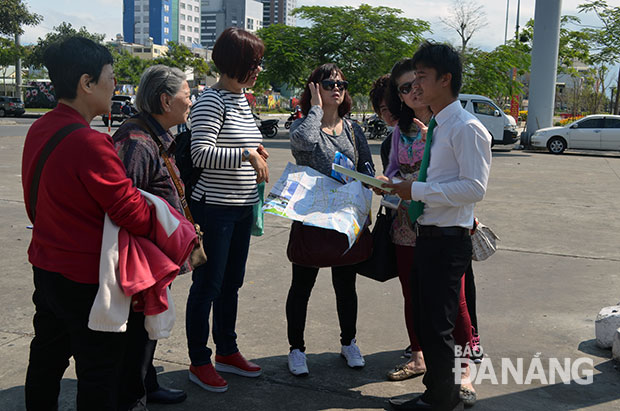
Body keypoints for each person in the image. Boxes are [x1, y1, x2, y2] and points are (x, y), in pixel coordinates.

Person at [21, 36, 158, 410]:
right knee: (99, 372)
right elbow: (131, 211)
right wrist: (165, 219)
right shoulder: (91, 144)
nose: (114, 84)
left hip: (46, 265)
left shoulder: (40, 128)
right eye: (110, 76)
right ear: (86, 83)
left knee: (46, 359)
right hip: (86, 279)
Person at [385, 42, 492, 411]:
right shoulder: (438, 125)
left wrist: (415, 188)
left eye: (423, 77)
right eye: (414, 76)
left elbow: (474, 188)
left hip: (448, 241)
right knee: (427, 322)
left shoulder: (466, 128)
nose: (417, 84)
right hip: (427, 235)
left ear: (445, 80)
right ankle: (436, 393)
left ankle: (442, 399)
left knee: (439, 325)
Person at [185, 27, 269, 393]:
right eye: (255, 63)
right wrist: (246, 154)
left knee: (231, 283)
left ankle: (227, 350)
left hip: (240, 208)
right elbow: (200, 153)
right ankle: (199, 360)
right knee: (208, 284)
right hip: (214, 209)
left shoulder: (242, 100)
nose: (259, 70)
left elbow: (242, 146)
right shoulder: (212, 101)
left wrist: (256, 151)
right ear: (237, 63)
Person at [286, 63, 374, 377]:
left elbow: (367, 169)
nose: (336, 88)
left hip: (345, 219)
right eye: (328, 83)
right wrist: (314, 109)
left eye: (341, 83)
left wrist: (364, 188)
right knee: (302, 285)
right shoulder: (303, 126)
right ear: (314, 89)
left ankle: (348, 342)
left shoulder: (353, 129)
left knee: (345, 285)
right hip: (311, 217)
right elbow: (304, 144)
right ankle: (296, 349)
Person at [112, 65, 192, 408]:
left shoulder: (153, 136)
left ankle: (147, 383)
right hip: (144, 259)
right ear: (164, 99)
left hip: (156, 256)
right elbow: (125, 206)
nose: (191, 102)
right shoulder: (136, 142)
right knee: (139, 331)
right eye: (186, 96)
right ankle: (134, 396)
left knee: (149, 325)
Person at [368, 74, 398, 173]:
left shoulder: (429, 132)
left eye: (393, 104)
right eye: (384, 109)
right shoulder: (388, 146)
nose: (390, 112)